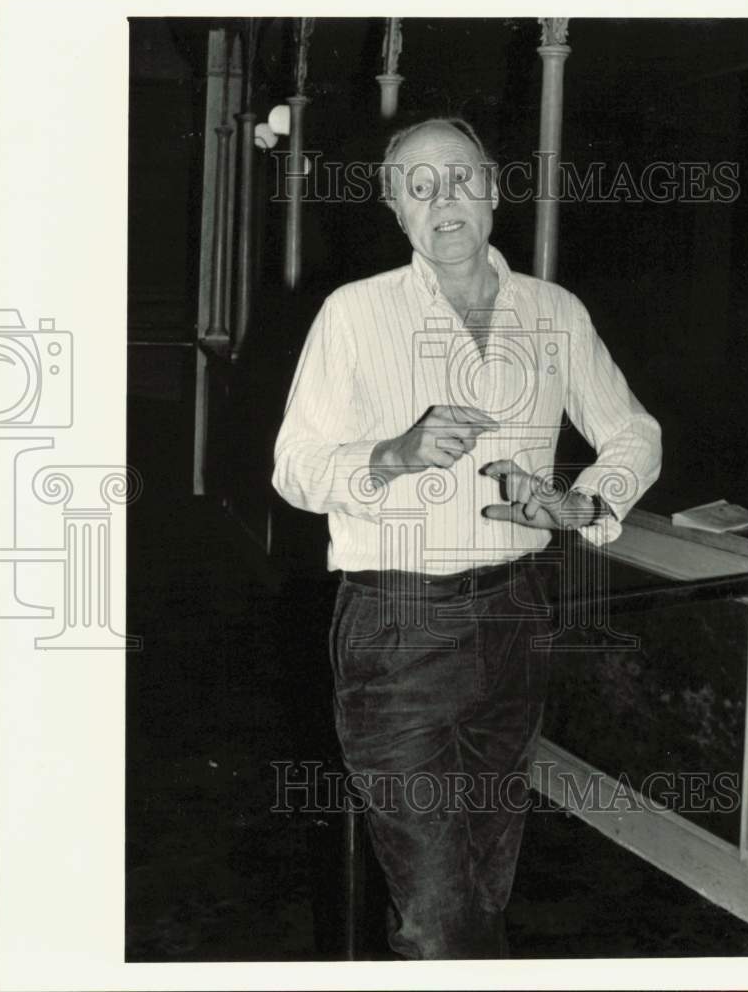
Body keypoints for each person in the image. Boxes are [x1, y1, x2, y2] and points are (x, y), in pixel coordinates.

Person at [272, 116, 662, 959]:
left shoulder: (554, 311)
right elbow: (294, 469)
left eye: (456, 178)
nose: (441, 200)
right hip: (396, 625)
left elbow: (632, 431)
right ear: (393, 208)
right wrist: (390, 454)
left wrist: (582, 503)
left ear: (490, 186)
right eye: (417, 187)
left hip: (518, 611)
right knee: (437, 908)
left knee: (486, 880)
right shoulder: (354, 313)